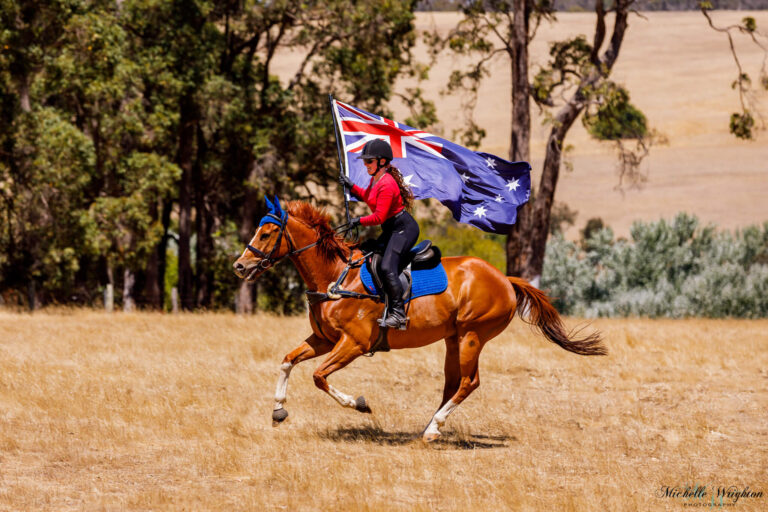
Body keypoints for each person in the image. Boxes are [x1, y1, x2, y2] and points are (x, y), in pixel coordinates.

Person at [340, 139, 419, 330]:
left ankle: (399, 314)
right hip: (391, 229)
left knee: (386, 267)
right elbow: (368, 197)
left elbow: (378, 217)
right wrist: (351, 186)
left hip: (403, 229)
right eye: (365, 161)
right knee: (367, 251)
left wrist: (358, 220)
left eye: (369, 161)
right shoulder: (376, 179)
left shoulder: (387, 184)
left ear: (382, 162)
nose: (365, 165)